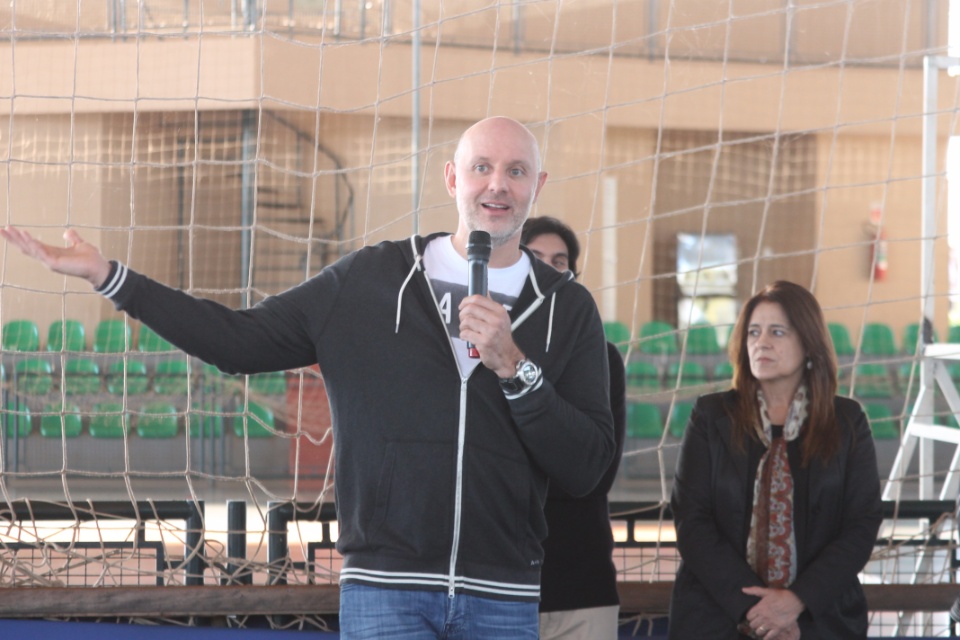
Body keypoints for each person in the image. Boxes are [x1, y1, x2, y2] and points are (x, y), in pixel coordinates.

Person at [1, 116, 615, 640]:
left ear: (537, 185)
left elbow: (586, 466)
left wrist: (515, 366)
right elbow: (235, 341)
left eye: (514, 171)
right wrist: (113, 277)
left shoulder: (569, 309)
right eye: (481, 167)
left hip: (502, 595)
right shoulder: (370, 281)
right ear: (453, 179)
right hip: (386, 589)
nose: (497, 185)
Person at [668, 280, 882, 640]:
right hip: (718, 618)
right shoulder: (710, 416)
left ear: (809, 344)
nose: (761, 342)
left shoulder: (847, 421)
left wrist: (796, 601)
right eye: (753, 331)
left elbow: (861, 523)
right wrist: (760, 613)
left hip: (820, 619)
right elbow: (692, 520)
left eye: (777, 332)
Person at [520, 216, 626, 640]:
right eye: (534, 258)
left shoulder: (604, 357)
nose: (548, 269)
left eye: (560, 262)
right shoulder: (479, 354)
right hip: (495, 589)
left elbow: (594, 476)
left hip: (582, 585)